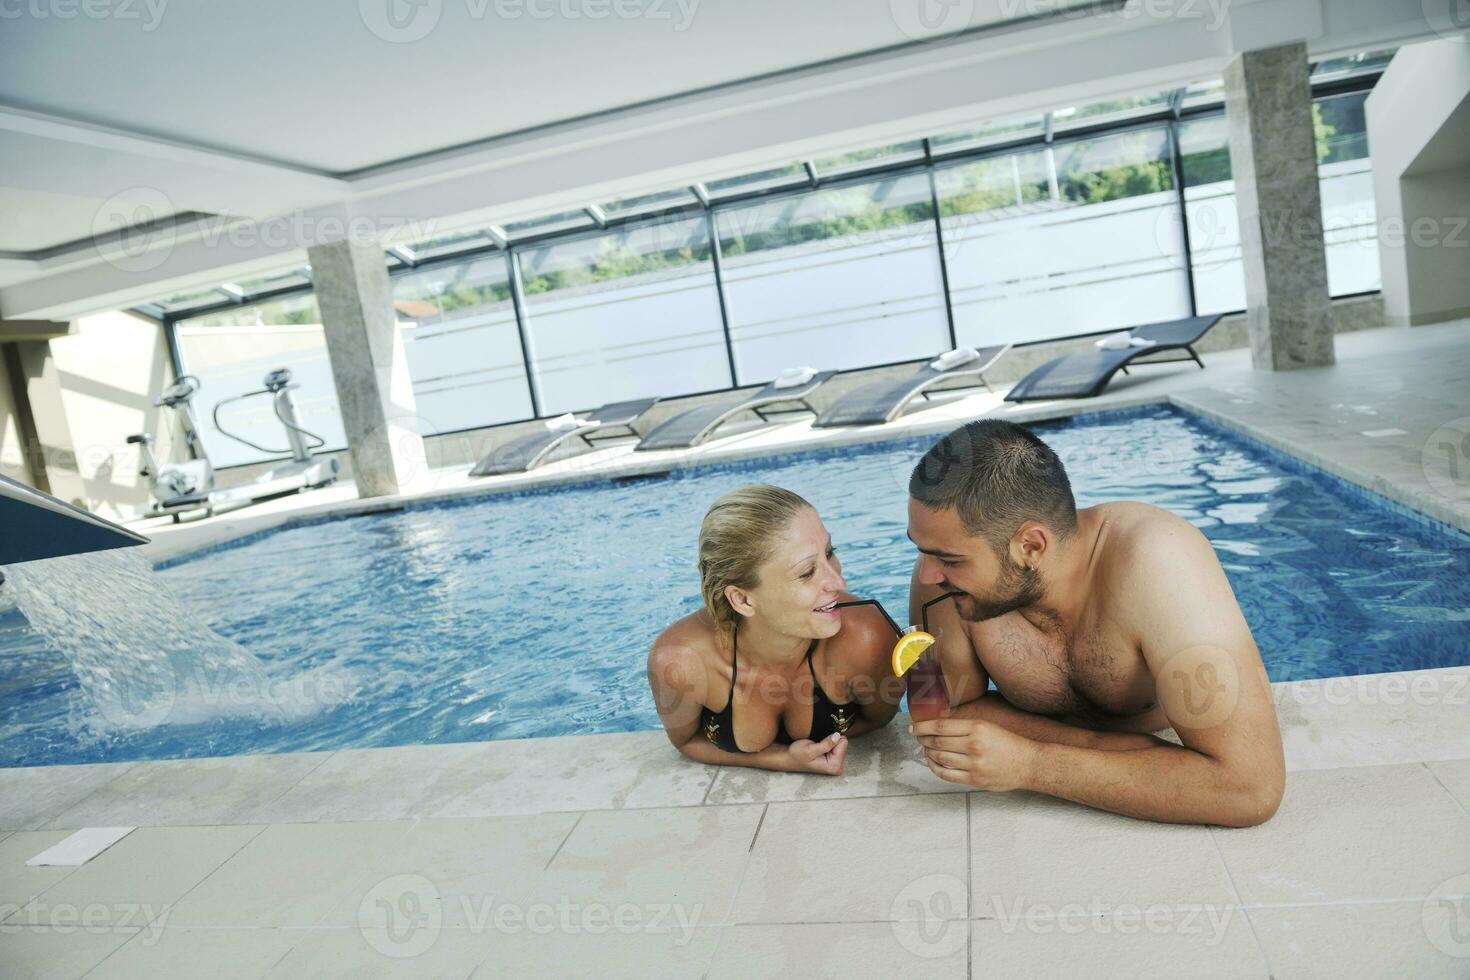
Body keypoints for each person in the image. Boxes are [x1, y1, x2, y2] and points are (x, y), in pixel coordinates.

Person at [906, 419, 1284, 826]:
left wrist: (1031, 765)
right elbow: (948, 715)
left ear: (1030, 546)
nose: (926, 575)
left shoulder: (1157, 562)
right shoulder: (947, 580)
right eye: (923, 550)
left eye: (948, 559)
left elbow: (1250, 789)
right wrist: (1113, 751)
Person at [648, 485, 903, 774]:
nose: (838, 582)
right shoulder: (680, 661)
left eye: (830, 553)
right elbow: (686, 741)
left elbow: (879, 720)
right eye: (807, 572)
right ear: (742, 599)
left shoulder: (867, 638)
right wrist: (780, 759)